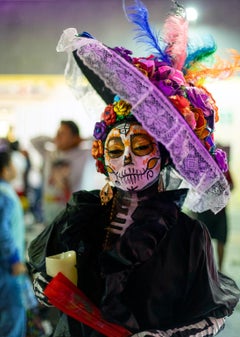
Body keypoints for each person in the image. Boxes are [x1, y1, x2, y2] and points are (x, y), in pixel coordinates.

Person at [28, 1, 240, 336]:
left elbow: (212, 316)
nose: (127, 158)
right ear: (102, 155)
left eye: (141, 147)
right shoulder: (79, 216)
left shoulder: (186, 236)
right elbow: (43, 277)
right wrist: (45, 287)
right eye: (115, 148)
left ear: (163, 154)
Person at [31, 119, 105, 224]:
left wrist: (82, 139)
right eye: (57, 133)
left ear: (75, 137)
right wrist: (53, 139)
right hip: (50, 213)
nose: (57, 136)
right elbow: (34, 141)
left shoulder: (86, 155)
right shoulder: (50, 154)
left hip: (75, 213)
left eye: (62, 133)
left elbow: (102, 140)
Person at [0, 142, 27, 337]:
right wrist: (15, 260)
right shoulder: (5, 195)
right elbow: (3, 233)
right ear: (5, 170)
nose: (16, 169)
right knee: (13, 315)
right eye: (13, 164)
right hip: (6, 268)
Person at [196, 168, 234, 271]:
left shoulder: (223, 167)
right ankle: (205, 269)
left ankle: (220, 270)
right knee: (204, 241)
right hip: (205, 209)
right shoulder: (201, 167)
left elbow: (232, 186)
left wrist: (223, 188)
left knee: (221, 239)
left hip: (220, 210)